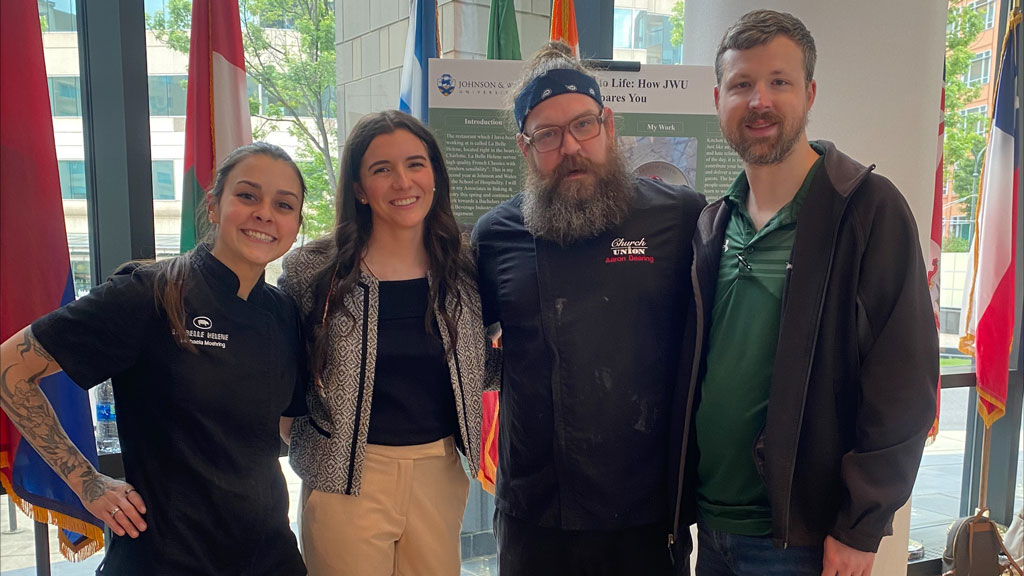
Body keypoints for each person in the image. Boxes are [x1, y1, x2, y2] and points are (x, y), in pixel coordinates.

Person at [668, 10, 939, 576]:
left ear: (809, 93)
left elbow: (904, 382)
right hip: (711, 531)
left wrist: (860, 526)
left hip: (803, 543)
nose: (759, 101)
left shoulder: (866, 211)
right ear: (719, 98)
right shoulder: (713, 223)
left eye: (779, 82)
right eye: (742, 84)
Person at [0, 142, 309, 575]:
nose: (264, 213)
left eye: (284, 204)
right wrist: (86, 482)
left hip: (268, 556)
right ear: (214, 206)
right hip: (166, 557)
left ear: (295, 224)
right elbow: (8, 370)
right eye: (247, 196)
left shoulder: (284, 314)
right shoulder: (148, 294)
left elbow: (284, 430)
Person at [471, 42, 706, 575]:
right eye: (547, 135)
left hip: (647, 510)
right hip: (535, 509)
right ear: (525, 148)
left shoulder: (681, 218)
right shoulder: (496, 235)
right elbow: (468, 350)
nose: (570, 147)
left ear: (609, 126)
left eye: (583, 125)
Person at [279, 110, 492, 576]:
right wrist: (315, 447)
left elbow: (485, 365)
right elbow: (283, 372)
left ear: (434, 174)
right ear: (359, 188)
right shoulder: (312, 271)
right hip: (344, 480)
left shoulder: (468, 267)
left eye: (415, 164)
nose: (402, 181)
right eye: (381, 169)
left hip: (438, 471)